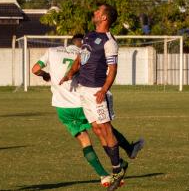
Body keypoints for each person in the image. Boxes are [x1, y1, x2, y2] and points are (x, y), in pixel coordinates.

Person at [31, 34, 144, 187]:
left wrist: (46, 75)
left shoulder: (52, 51)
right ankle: (127, 152)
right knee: (105, 129)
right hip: (81, 103)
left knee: (84, 141)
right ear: (82, 44)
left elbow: (35, 69)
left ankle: (103, 175)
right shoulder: (84, 54)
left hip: (62, 107)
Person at [59, 4, 127, 191]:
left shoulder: (109, 42)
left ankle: (117, 170)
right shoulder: (89, 35)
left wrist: (104, 89)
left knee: (105, 129)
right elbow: (80, 58)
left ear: (105, 18)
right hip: (83, 89)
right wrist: (70, 73)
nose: (94, 13)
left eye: (98, 12)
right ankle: (119, 164)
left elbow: (113, 69)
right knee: (97, 130)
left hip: (97, 90)